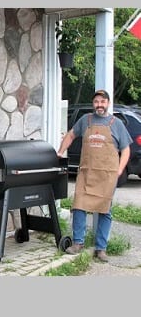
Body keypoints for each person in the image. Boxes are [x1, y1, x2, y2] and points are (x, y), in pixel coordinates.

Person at [57, 89, 132, 262]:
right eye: (97, 102)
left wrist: (119, 170)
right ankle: (78, 243)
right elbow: (71, 135)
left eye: (103, 102)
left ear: (108, 103)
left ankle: (101, 248)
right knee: (79, 207)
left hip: (107, 176)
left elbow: (126, 150)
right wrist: (60, 151)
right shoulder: (86, 120)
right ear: (94, 104)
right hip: (86, 173)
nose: (99, 105)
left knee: (105, 211)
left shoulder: (116, 123)